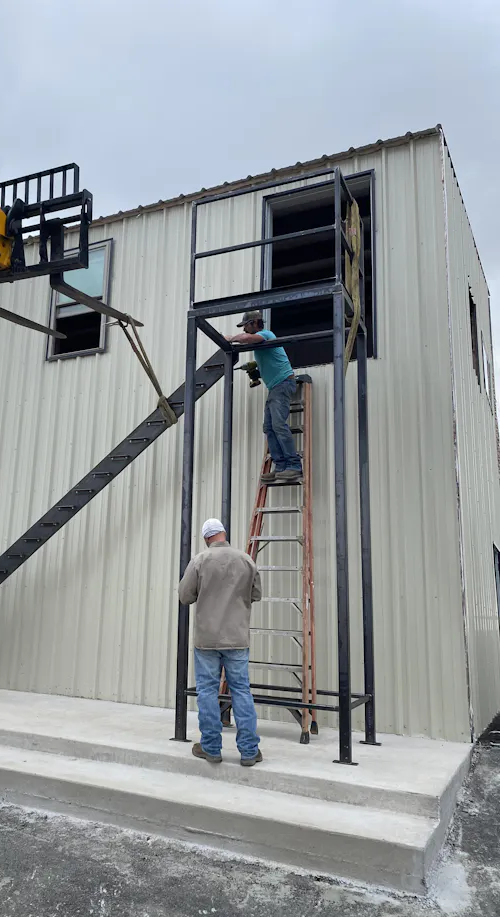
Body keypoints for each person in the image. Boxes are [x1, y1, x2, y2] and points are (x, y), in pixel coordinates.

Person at [178, 518, 263, 766]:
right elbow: (256, 594)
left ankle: (211, 748)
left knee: (207, 692)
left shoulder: (200, 561)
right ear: (224, 533)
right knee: (241, 691)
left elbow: (184, 596)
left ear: (206, 538)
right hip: (236, 638)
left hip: (207, 640)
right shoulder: (246, 559)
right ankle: (248, 751)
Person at [226, 310, 302, 482]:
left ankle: (294, 466)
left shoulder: (266, 334)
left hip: (283, 384)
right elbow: (270, 366)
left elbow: (246, 339)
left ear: (254, 323)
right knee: (268, 427)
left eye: (245, 325)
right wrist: (256, 371)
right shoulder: (260, 344)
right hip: (276, 386)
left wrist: (230, 338)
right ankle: (281, 466)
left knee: (278, 425)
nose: (244, 329)